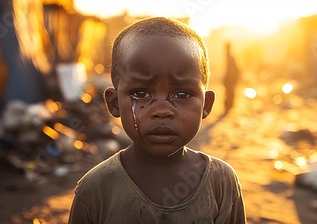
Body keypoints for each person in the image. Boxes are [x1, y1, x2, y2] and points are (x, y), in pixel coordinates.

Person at [68, 17, 246, 224]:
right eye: (141, 93)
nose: (162, 111)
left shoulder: (221, 182)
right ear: (114, 103)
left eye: (182, 94)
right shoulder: (95, 188)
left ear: (206, 104)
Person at [223, 42, 240, 115]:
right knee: (229, 92)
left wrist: (228, 78)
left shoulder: (229, 57)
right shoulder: (230, 56)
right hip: (231, 77)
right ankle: (229, 106)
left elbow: (231, 69)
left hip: (231, 78)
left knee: (229, 92)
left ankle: (228, 107)